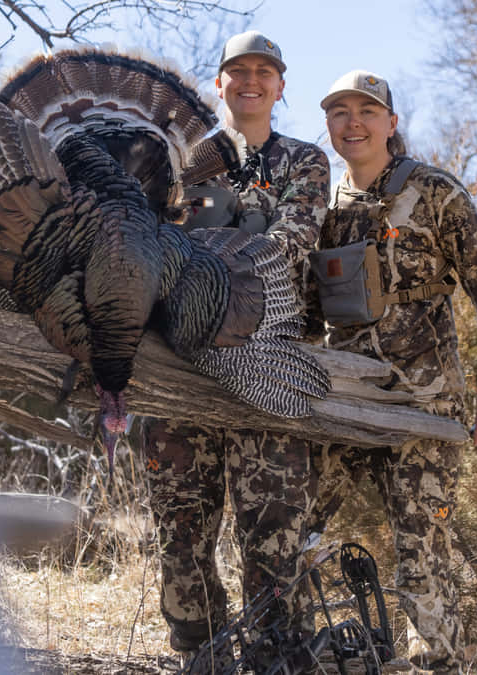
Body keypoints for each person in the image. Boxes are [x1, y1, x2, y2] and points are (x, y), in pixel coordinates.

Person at [308, 70, 477, 674]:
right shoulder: (322, 205)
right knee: (292, 525)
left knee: (421, 549)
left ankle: (441, 663)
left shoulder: (435, 192)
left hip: (424, 401)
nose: (353, 122)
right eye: (340, 111)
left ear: (391, 124)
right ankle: (296, 651)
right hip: (339, 396)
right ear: (328, 126)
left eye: (368, 111)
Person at [139, 30, 330, 666]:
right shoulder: (176, 159)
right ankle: (201, 654)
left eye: (264, 72)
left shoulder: (305, 162)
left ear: (280, 86)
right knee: (180, 531)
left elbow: (294, 241)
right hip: (178, 369)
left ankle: (274, 654)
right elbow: (143, 244)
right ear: (219, 82)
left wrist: (206, 271)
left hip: (267, 365)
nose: (251, 81)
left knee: (273, 536)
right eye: (238, 71)